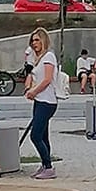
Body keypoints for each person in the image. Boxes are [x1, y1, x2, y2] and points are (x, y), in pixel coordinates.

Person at [23, 29, 61, 179]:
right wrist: (30, 88)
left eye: (37, 40)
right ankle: (45, 164)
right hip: (40, 100)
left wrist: (34, 91)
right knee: (43, 135)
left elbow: (47, 79)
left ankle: (49, 166)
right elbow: (34, 76)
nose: (34, 43)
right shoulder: (37, 59)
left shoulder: (49, 57)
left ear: (44, 40)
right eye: (33, 41)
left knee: (35, 135)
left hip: (47, 101)